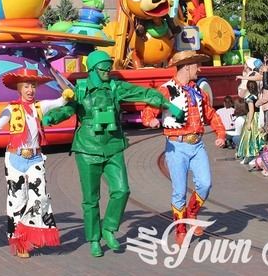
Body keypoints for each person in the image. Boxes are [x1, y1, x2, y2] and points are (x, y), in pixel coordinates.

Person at [46, 50, 185, 257]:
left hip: (113, 146)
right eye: (103, 68)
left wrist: (167, 104)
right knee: (91, 199)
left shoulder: (114, 87)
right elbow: (68, 109)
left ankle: (109, 228)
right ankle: (94, 238)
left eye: (109, 67)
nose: (107, 71)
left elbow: (143, 93)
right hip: (86, 148)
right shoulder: (81, 89)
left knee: (122, 190)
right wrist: (52, 117)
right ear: (92, 69)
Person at [0, 68, 72, 258]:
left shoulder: (40, 106)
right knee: (18, 201)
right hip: (15, 158)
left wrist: (66, 95)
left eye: (32, 86)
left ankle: (35, 233)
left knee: (39, 198)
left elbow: (60, 102)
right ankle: (20, 241)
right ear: (19, 89)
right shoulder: (11, 109)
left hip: (35, 158)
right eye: (26, 86)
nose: (30, 90)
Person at [141, 50, 226, 246]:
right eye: (197, 65)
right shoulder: (165, 90)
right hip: (176, 147)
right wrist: (152, 120)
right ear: (187, 67)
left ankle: (192, 213)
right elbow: (147, 113)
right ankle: (180, 229)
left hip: (197, 145)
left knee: (205, 184)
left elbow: (211, 114)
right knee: (179, 191)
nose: (200, 69)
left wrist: (220, 134)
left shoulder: (198, 91)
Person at [236, 81, 265, 165]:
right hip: (259, 116)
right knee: (257, 137)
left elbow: (251, 110)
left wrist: (249, 122)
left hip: (253, 118)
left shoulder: (249, 98)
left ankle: (251, 155)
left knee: (249, 137)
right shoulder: (258, 95)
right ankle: (253, 156)